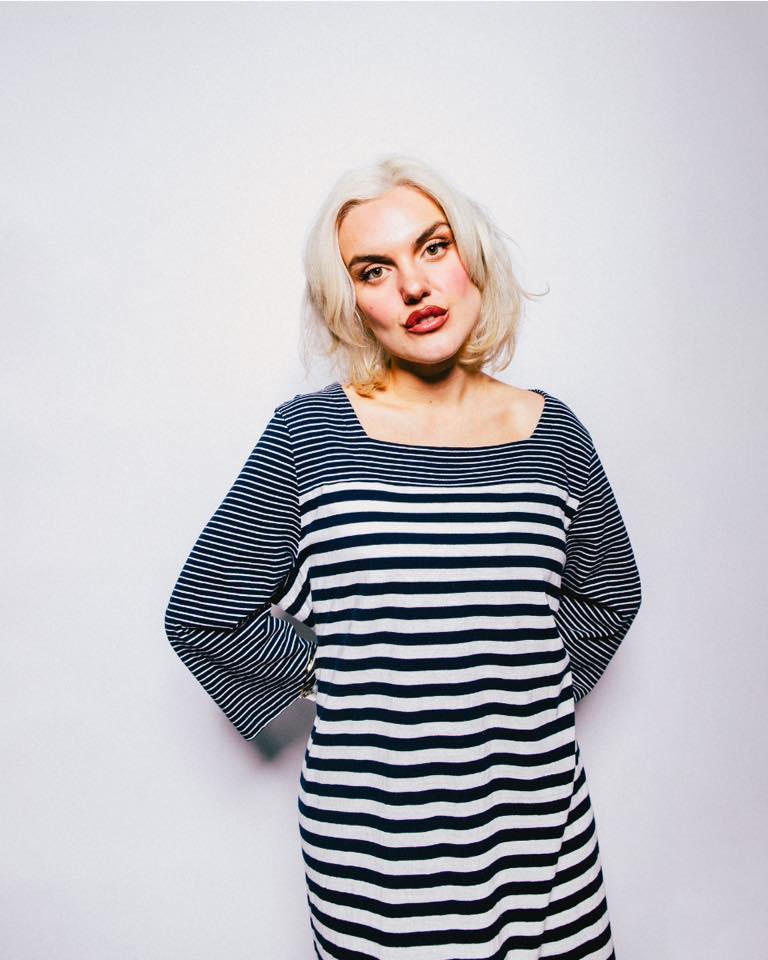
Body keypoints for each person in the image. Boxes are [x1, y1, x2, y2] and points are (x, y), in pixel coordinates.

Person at [164, 154, 642, 960]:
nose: (414, 286)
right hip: (377, 860)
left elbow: (609, 598)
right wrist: (343, 672)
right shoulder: (307, 437)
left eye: (433, 246)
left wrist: (512, 684)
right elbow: (204, 614)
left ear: (471, 257)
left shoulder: (555, 435)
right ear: (350, 301)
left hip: (546, 847)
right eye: (373, 269)